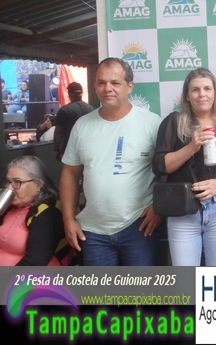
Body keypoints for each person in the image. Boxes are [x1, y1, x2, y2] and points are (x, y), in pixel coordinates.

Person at [59, 58, 162, 266]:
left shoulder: (152, 123)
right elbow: (70, 174)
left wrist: (158, 207)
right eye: (101, 83)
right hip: (92, 231)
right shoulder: (82, 125)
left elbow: (168, 169)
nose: (108, 88)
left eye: (115, 83)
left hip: (139, 225)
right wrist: (68, 219)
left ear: (129, 86)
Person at [153, 68, 216, 266]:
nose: (202, 94)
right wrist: (191, 147)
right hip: (183, 210)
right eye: (195, 90)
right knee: (186, 278)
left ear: (215, 93)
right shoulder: (174, 122)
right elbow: (160, 166)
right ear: (187, 95)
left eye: (207, 89)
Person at [0, 156, 76, 266]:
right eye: (8, 181)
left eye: (17, 182)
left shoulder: (47, 214)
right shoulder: (9, 207)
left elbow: (35, 262)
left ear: (38, 185)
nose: (9, 188)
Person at [53, 82, 94, 161]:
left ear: (69, 94)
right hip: (88, 150)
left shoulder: (64, 110)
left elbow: (58, 132)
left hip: (69, 151)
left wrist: (56, 149)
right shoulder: (91, 109)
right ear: (81, 94)